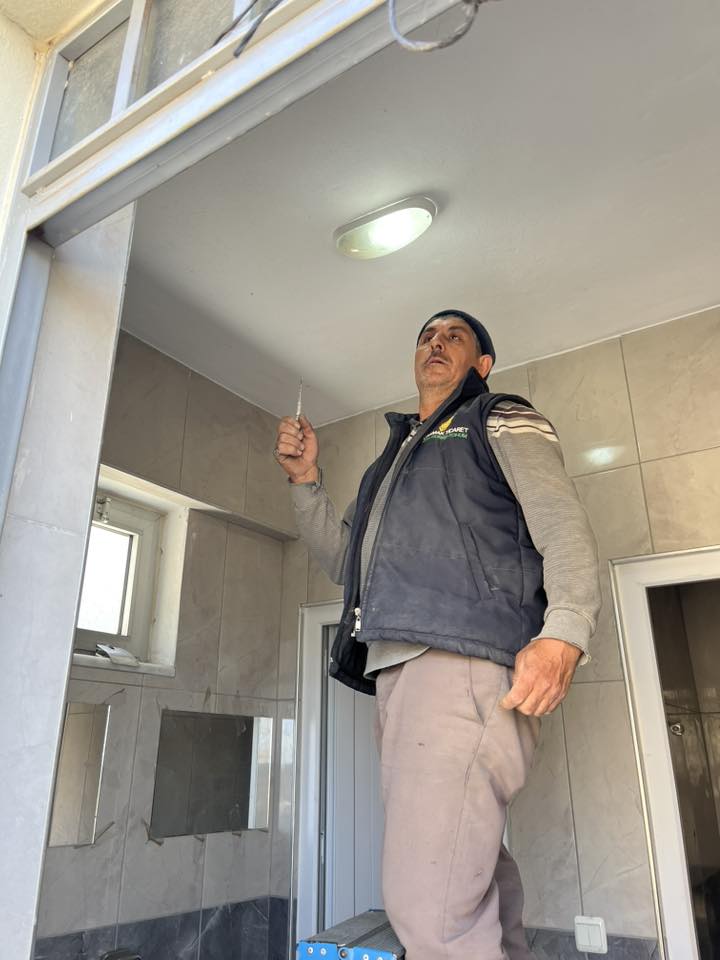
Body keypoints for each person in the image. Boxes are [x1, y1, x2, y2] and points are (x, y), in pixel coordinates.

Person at [274, 309, 600, 960]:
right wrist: (306, 480)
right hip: (400, 669)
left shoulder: (495, 416)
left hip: (460, 662)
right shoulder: (392, 460)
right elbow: (346, 561)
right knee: (470, 884)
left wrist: (565, 630)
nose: (436, 343)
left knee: (430, 910)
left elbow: (560, 521)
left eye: (455, 336)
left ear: (482, 364)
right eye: (427, 335)